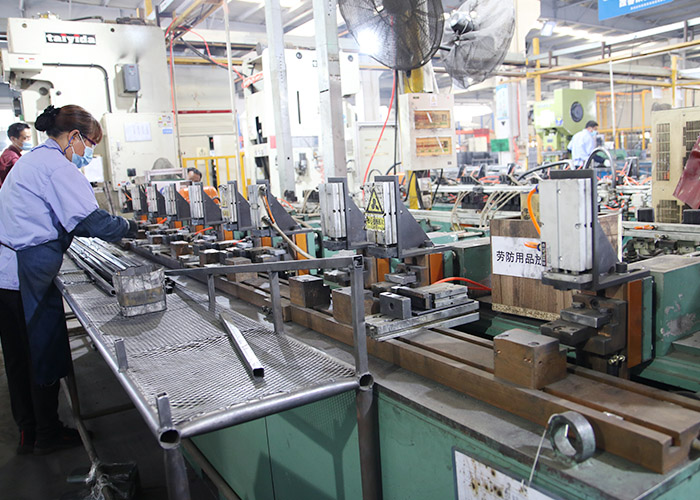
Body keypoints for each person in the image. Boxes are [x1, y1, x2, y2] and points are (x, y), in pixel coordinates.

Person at [0, 104, 137, 456]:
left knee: (18, 357)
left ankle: (29, 432)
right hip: (26, 271)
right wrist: (130, 227)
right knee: (41, 349)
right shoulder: (57, 167)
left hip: (8, 272)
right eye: (89, 144)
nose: (88, 154)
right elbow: (90, 222)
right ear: (74, 136)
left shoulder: (32, 159)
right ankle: (47, 433)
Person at [0, 122, 33, 188]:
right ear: (13, 139)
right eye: (25, 138)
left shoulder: (9, 153)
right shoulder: (12, 158)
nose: (29, 141)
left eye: (30, 137)